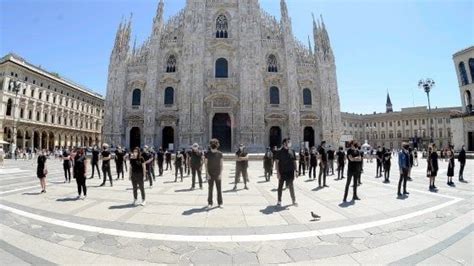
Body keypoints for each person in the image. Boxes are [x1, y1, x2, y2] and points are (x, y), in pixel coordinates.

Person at [275, 138, 298, 207]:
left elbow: (294, 161)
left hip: (290, 172)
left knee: (291, 186)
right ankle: (279, 201)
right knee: (280, 186)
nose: (289, 143)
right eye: (288, 142)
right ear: (284, 143)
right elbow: (277, 162)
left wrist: (296, 170)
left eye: (289, 142)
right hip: (282, 172)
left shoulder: (292, 151)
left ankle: (293, 200)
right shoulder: (279, 151)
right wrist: (278, 173)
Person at [205, 139, 223, 208]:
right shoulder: (207, 153)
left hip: (218, 173)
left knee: (219, 189)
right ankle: (210, 203)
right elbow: (205, 164)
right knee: (210, 189)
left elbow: (221, 164)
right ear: (210, 144)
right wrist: (207, 174)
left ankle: (220, 202)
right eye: (212, 143)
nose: (214, 144)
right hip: (210, 173)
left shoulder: (220, 153)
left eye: (215, 143)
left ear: (217, 144)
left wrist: (220, 174)